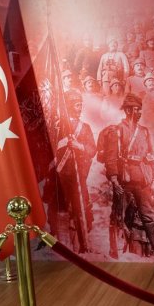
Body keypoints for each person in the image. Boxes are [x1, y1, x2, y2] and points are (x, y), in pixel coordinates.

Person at [97, 93, 154, 259]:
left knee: (148, 215)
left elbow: (150, 155)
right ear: (127, 111)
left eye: (140, 109)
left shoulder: (144, 132)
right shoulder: (117, 131)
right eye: (136, 109)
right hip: (124, 180)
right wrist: (114, 179)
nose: (139, 112)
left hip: (143, 178)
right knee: (119, 215)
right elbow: (111, 157)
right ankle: (116, 251)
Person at [44, 89, 95, 253]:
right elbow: (48, 149)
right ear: (69, 106)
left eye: (80, 105)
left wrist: (79, 146)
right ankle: (62, 245)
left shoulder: (85, 128)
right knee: (59, 209)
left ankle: (81, 246)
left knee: (81, 209)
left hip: (78, 175)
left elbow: (92, 149)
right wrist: (62, 143)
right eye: (76, 105)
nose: (79, 108)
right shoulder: (58, 127)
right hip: (61, 175)